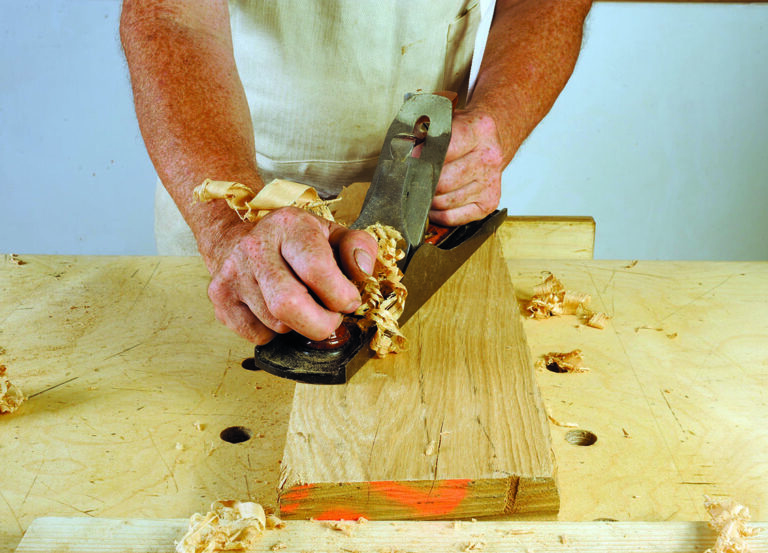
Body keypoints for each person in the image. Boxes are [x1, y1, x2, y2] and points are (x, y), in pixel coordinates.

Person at [120, 0, 592, 345]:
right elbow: (169, 16)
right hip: (237, 189)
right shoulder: (232, 213)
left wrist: (500, 119)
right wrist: (229, 222)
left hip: (425, 187)